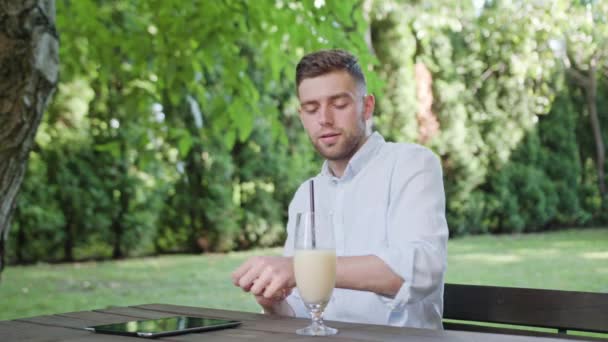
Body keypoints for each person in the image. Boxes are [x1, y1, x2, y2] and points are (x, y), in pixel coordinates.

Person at [231, 49, 448, 329]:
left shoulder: (411, 164)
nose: (324, 118)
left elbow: (420, 269)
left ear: (367, 106)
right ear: (302, 116)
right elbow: (301, 309)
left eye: (339, 104)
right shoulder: (306, 194)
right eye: (311, 108)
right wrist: (274, 303)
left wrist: (303, 269)